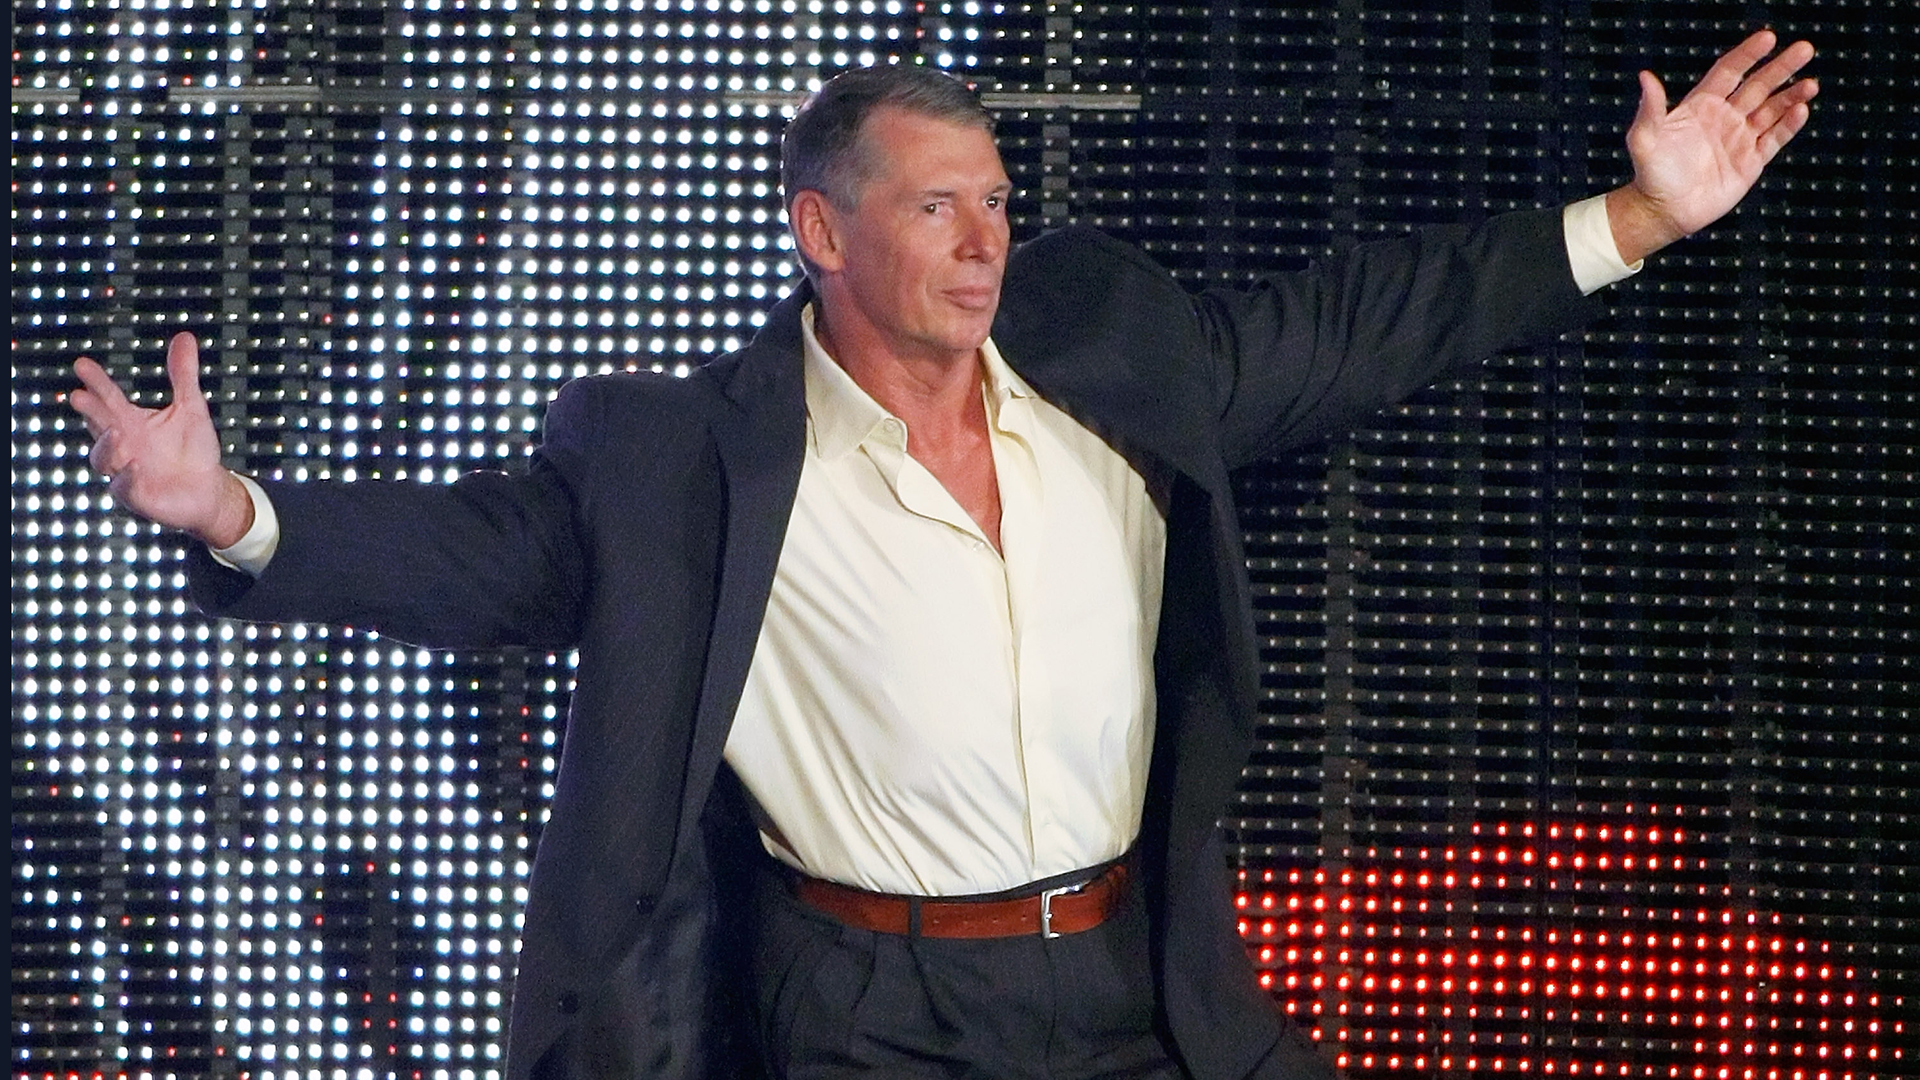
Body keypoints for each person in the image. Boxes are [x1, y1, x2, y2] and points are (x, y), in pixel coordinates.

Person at [70, 31, 1816, 1080]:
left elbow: (1366, 324)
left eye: (996, 200)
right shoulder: (684, 460)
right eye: (936, 207)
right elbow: (466, 558)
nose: (986, 241)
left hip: (1139, 965)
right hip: (866, 1005)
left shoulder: (1122, 365)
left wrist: (1641, 216)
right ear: (821, 232)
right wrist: (233, 510)